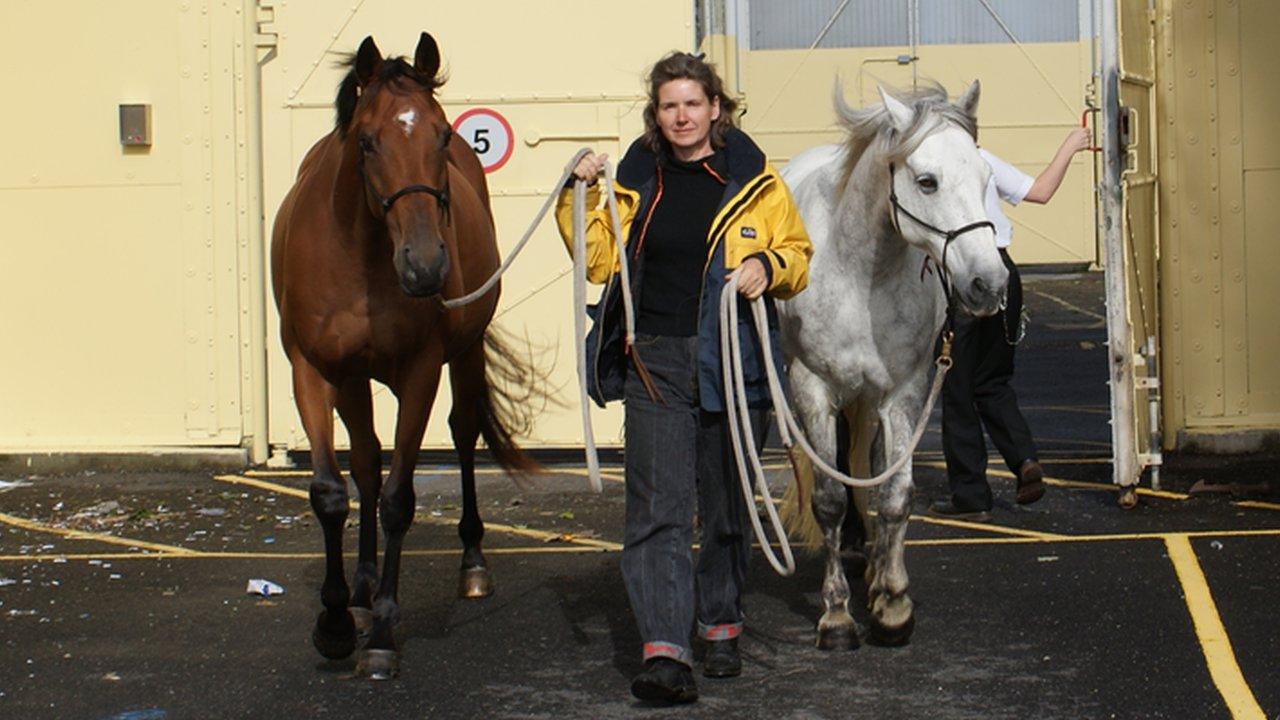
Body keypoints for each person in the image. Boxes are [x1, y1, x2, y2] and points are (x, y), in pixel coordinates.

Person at [555, 52, 811, 704]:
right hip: (656, 363)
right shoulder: (637, 178)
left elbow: (799, 255)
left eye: (693, 104)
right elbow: (598, 258)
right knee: (657, 511)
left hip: (736, 360)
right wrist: (577, 190)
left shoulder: (756, 180)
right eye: (670, 105)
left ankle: (720, 621)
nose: (682, 116)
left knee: (727, 505)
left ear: (715, 108)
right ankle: (665, 651)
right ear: (657, 113)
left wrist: (767, 264)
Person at [930, 126, 1092, 521]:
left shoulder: (938, 172)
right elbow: (1040, 192)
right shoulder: (984, 162)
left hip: (967, 278)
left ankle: (969, 492)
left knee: (957, 388)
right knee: (993, 382)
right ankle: (1024, 460)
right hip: (1005, 273)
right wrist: (1070, 144)